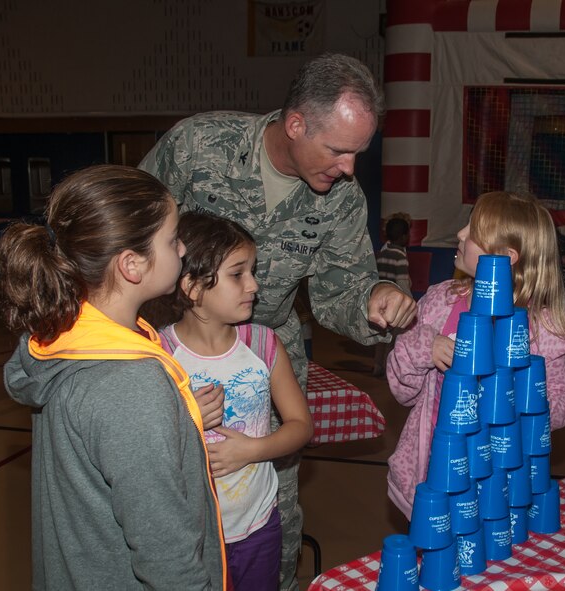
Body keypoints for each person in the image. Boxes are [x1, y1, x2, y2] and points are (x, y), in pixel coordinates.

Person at [139, 52, 416, 589]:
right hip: (169, 352)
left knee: (273, 518)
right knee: (168, 504)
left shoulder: (342, 200)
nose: (349, 168)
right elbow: (127, 232)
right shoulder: (199, 147)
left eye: (358, 153)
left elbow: (342, 289)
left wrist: (375, 296)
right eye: (338, 150)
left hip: (266, 360)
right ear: (295, 124)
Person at [0, 165, 225, 589]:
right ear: (131, 265)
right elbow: (166, 556)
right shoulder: (129, 386)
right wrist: (155, 411)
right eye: (173, 239)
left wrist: (179, 415)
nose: (183, 248)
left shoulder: (61, 333)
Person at [386, 191, 565, 518]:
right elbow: (402, 391)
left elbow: (561, 407)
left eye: (474, 232)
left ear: (506, 256)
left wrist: (520, 396)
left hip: (501, 486)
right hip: (434, 471)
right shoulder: (441, 302)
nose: (461, 235)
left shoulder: (542, 328)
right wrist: (424, 347)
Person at [156, 211, 313, 591]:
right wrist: (183, 413)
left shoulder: (262, 344)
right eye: (238, 273)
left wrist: (253, 450)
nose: (254, 285)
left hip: (257, 525)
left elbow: (301, 426)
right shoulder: (158, 354)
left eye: (253, 271)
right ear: (192, 287)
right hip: (191, 535)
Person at [373, 214, 412, 376]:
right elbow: (402, 283)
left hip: (381, 303)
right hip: (394, 305)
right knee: (393, 340)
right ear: (403, 237)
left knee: (381, 338)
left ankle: (377, 367)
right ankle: (389, 370)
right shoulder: (400, 257)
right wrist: (410, 301)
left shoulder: (382, 253)